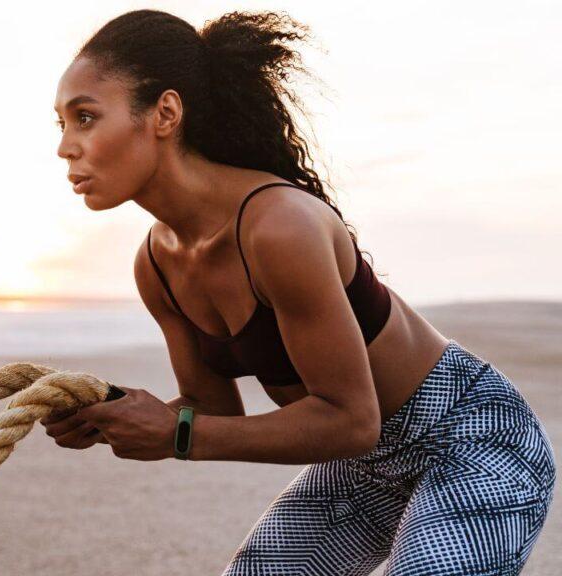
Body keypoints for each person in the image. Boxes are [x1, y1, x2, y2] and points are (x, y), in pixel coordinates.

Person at [41, 9, 555, 575]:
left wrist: (179, 434)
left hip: (472, 437)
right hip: (360, 463)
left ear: (164, 113)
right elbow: (209, 410)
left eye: (85, 117)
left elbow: (352, 420)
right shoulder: (156, 265)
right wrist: (116, 414)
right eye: (61, 124)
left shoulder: (279, 225)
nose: (66, 146)